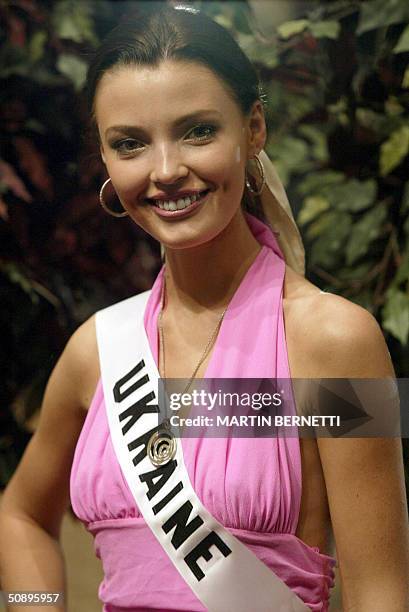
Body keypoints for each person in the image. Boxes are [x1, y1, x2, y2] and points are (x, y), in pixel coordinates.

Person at [1, 4, 408, 612]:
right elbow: (21, 514)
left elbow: (380, 590)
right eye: (130, 143)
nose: (166, 171)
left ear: (254, 130)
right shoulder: (98, 349)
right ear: (107, 161)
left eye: (197, 131)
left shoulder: (335, 341)